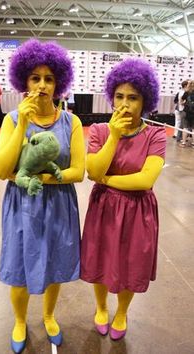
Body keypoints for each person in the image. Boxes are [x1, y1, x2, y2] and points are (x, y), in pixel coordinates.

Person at [0, 39, 85, 353]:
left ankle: (48, 315)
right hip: (22, 206)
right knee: (19, 268)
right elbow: (2, 169)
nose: (42, 85)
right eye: (35, 78)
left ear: (58, 83)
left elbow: (78, 172)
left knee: (56, 264)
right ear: (24, 82)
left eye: (49, 78)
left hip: (59, 205)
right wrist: (22, 125)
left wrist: (32, 177)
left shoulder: (72, 122)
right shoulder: (11, 120)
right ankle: (19, 320)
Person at [80, 58, 166, 341]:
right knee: (100, 258)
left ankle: (122, 312)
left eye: (133, 97)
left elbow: (145, 180)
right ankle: (102, 307)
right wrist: (114, 137)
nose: (125, 104)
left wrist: (106, 179)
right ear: (111, 97)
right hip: (103, 209)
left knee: (131, 263)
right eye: (119, 96)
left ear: (146, 100)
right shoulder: (100, 131)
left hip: (138, 212)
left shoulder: (155, 134)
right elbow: (92, 170)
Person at [179, 80, 194, 148]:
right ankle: (193, 144)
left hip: (186, 112)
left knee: (185, 128)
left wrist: (184, 103)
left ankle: (184, 143)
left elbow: (181, 101)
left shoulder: (187, 92)